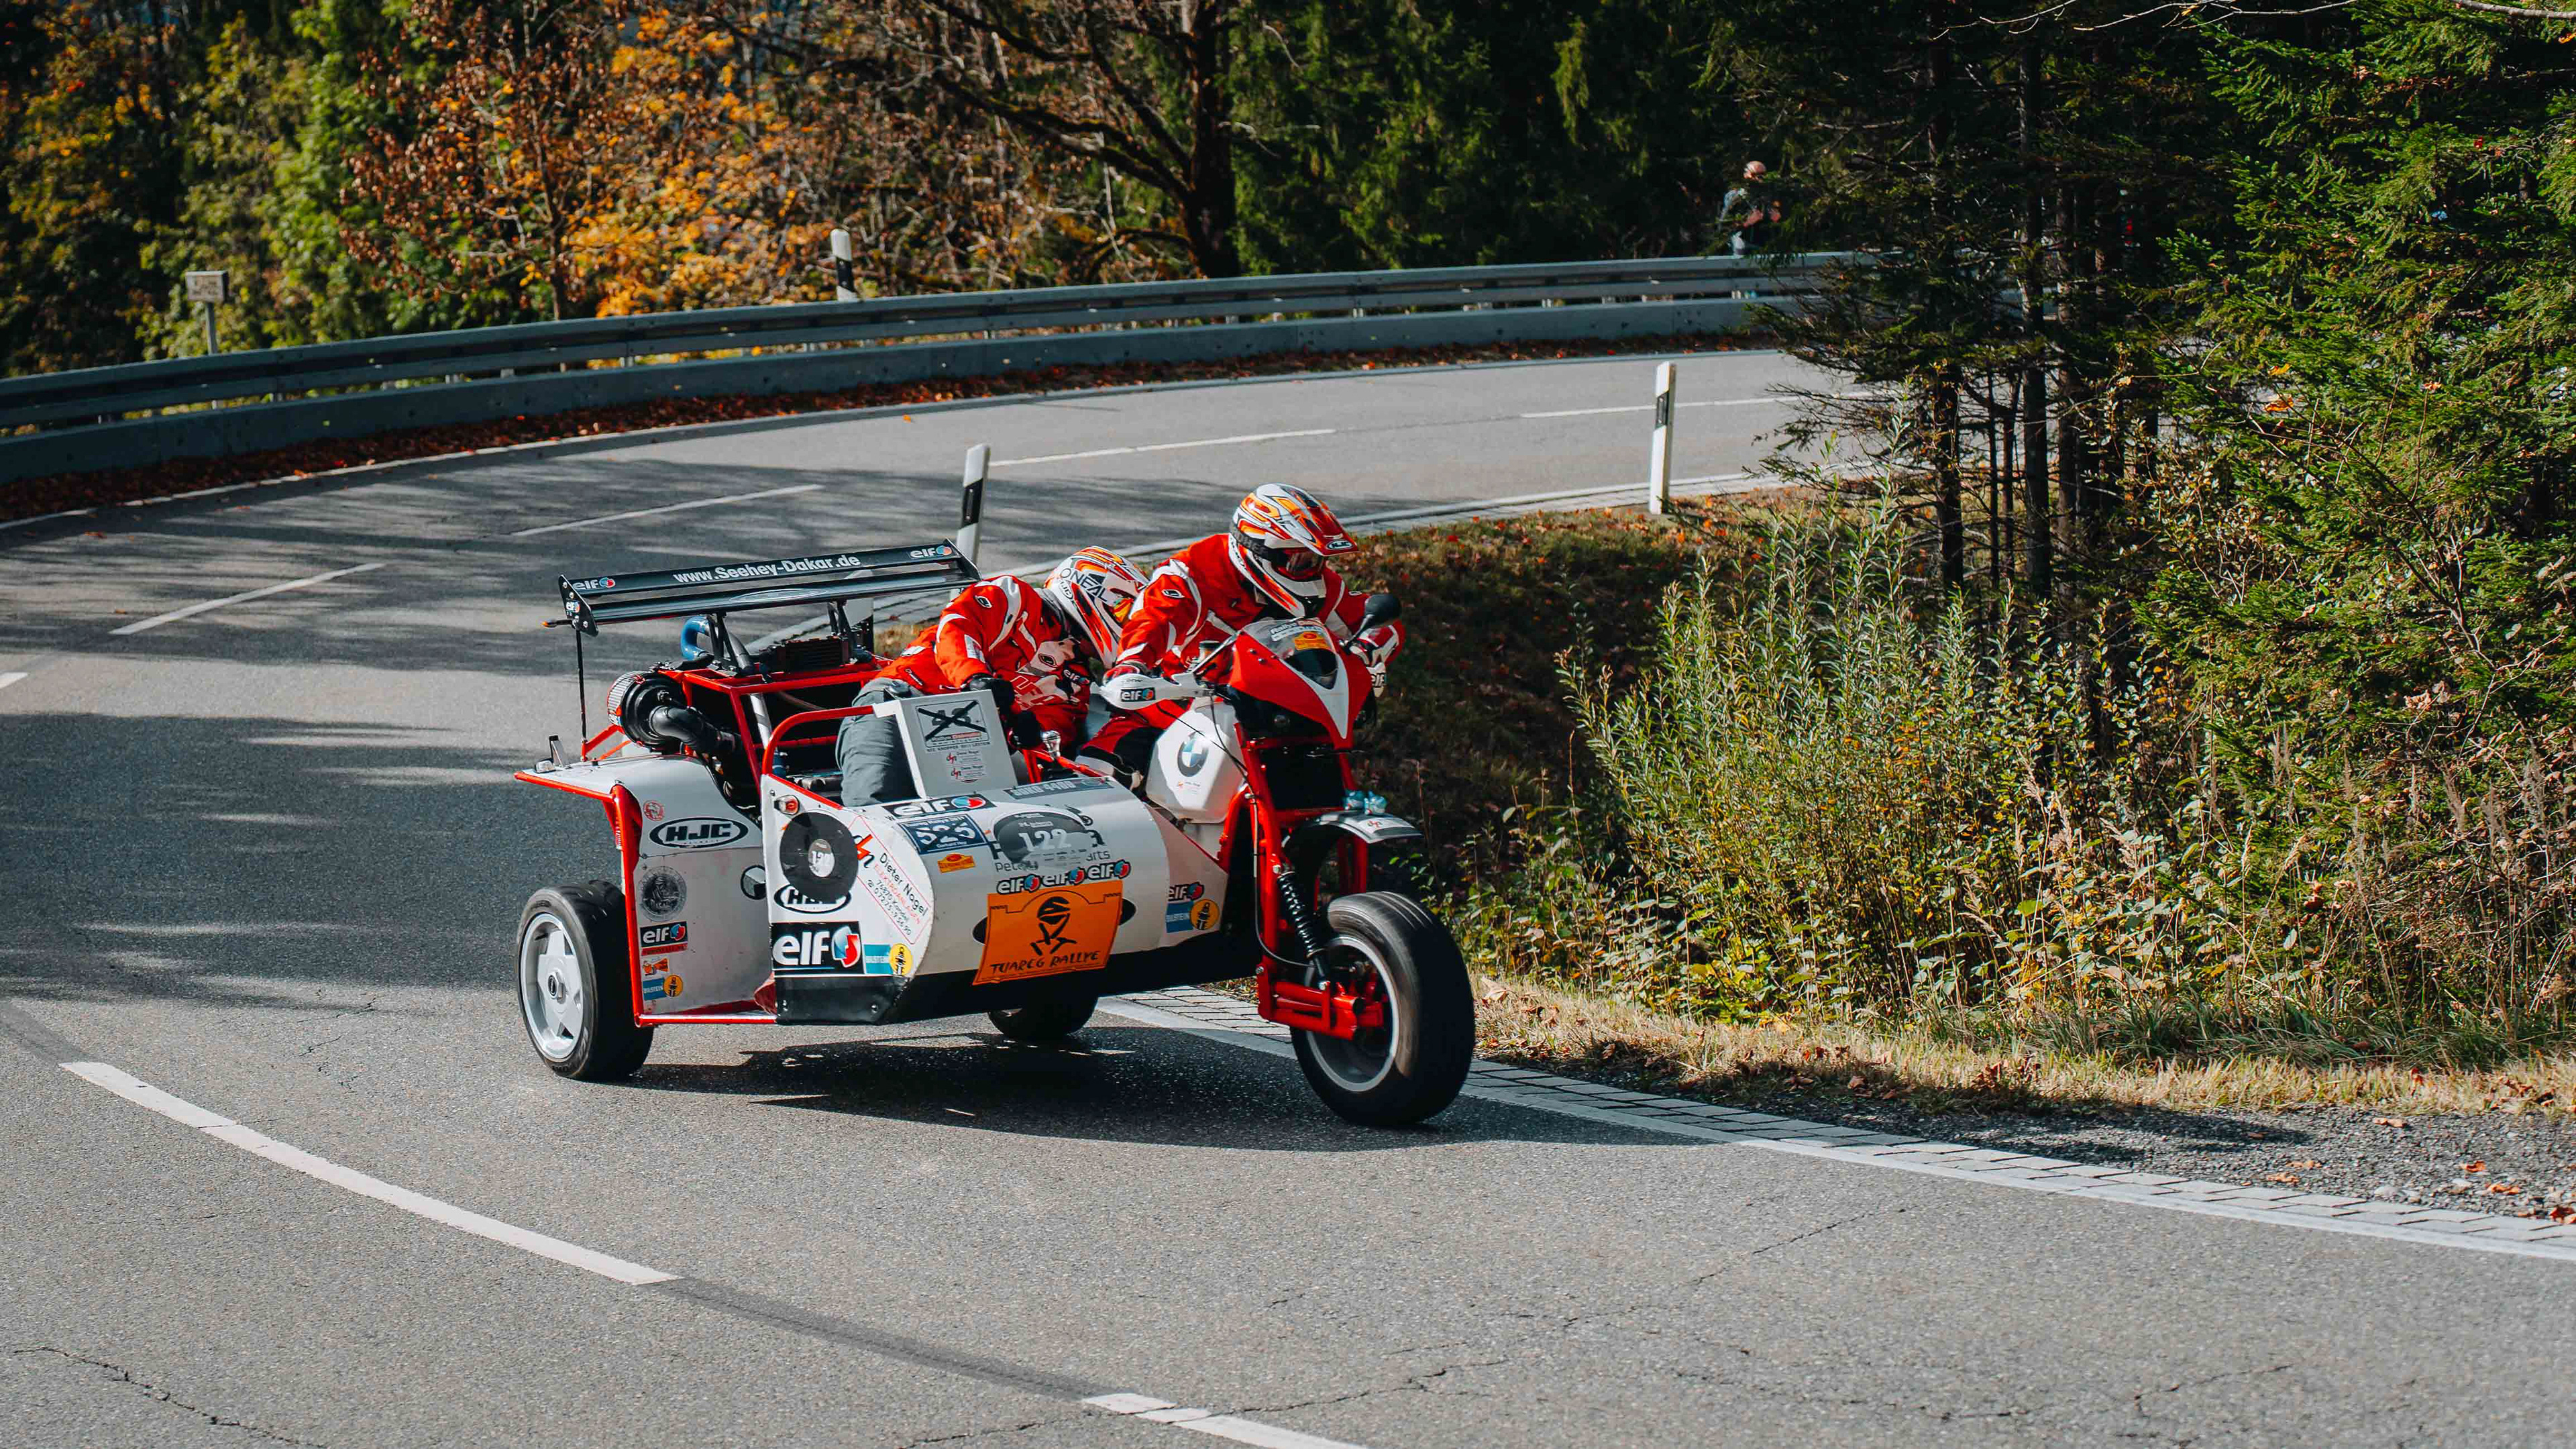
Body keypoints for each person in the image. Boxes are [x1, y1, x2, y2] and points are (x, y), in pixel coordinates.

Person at [1081, 484, 1404, 780]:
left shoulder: (1320, 586)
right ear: (1259, 550)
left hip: (1278, 715)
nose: (1312, 572)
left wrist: (1365, 652)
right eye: (1301, 561)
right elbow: (1155, 617)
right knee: (1101, 773)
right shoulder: (1196, 571)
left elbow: (1381, 623)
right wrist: (1132, 664)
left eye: (1318, 561)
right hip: (1175, 707)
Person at [837, 547, 1146, 803]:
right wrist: (974, 677)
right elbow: (959, 626)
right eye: (1125, 613)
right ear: (1095, 591)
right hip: (900, 704)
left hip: (970, 743)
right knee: (876, 805)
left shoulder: (1076, 684)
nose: (1128, 626)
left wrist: (1030, 733)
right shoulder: (1015, 596)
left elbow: (1054, 731)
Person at [1711, 160, 1782, 258]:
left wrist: (1777, 218)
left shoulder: (1768, 196)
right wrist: (1747, 222)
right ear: (1746, 175)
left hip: (1763, 246)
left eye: (1763, 175)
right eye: (1755, 175)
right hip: (1741, 245)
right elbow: (1724, 226)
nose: (1760, 179)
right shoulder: (1736, 197)